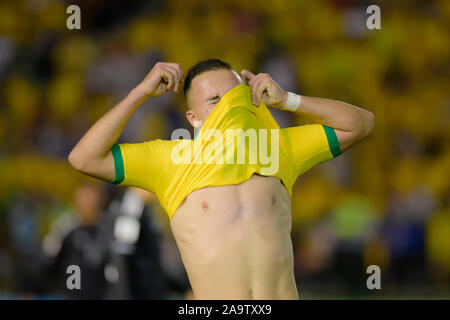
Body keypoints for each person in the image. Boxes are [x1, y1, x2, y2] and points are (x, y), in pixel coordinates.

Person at [68, 58, 374, 299]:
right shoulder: (170, 159)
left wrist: (287, 101)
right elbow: (84, 158)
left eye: (235, 96)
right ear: (193, 119)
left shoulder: (279, 147)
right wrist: (140, 93)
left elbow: (360, 124)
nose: (229, 107)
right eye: (215, 100)